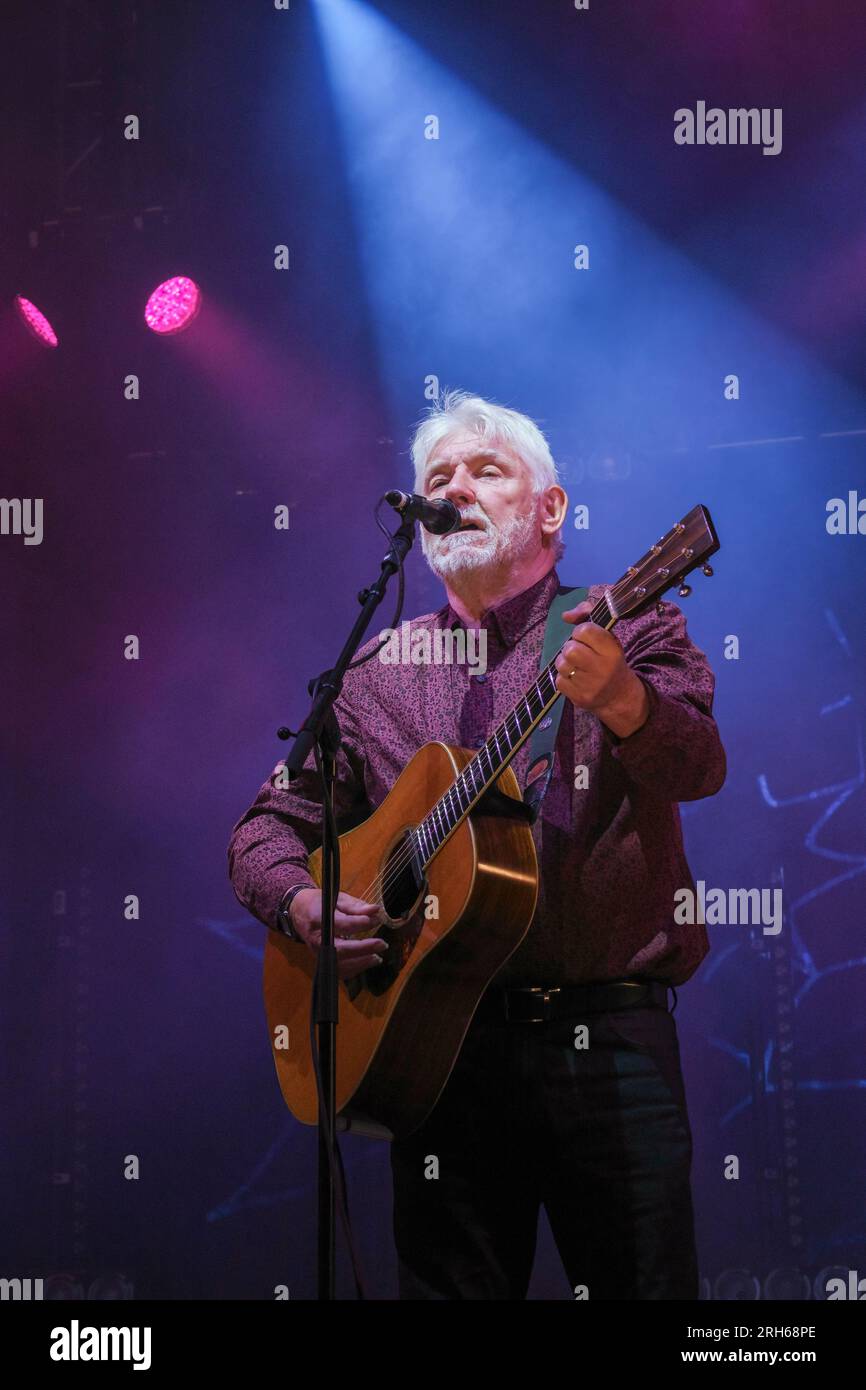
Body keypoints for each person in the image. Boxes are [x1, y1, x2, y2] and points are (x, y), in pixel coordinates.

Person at [228, 390, 726, 1300]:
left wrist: (625, 704)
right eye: (437, 478)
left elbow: (699, 766)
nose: (456, 487)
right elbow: (266, 829)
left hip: (608, 1044)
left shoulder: (628, 622)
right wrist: (303, 904)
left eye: (485, 470)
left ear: (551, 508)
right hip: (435, 1053)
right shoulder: (373, 677)